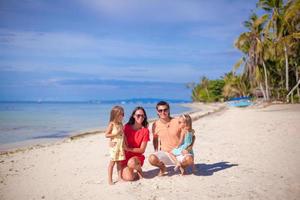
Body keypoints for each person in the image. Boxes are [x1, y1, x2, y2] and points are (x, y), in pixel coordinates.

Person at [148, 101, 194, 176]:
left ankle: (181, 166)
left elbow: (190, 136)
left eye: (165, 110)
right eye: (160, 110)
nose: (163, 112)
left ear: (169, 110)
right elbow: (155, 138)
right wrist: (156, 150)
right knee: (151, 158)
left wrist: (188, 149)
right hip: (166, 154)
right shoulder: (155, 125)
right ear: (157, 112)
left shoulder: (177, 121)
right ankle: (163, 168)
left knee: (189, 160)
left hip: (179, 153)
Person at [121, 106, 150, 181]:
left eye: (143, 115)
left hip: (137, 159)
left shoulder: (145, 131)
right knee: (128, 178)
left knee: (132, 162)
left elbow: (142, 150)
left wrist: (128, 148)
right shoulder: (126, 127)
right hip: (125, 157)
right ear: (133, 116)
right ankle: (134, 173)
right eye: (138, 115)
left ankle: (139, 169)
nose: (141, 117)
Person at [105, 105, 125, 185]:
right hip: (114, 147)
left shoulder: (121, 124)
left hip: (120, 146)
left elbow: (123, 135)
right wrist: (115, 134)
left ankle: (119, 177)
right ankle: (110, 179)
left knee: (119, 162)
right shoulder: (112, 124)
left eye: (123, 114)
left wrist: (125, 143)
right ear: (115, 115)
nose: (122, 116)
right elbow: (106, 135)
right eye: (121, 114)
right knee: (112, 163)